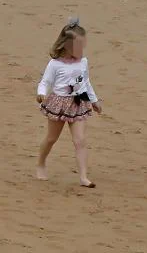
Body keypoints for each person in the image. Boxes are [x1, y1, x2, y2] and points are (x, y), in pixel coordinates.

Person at [36, 18, 103, 188]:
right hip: (58, 105)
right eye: (78, 46)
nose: (82, 50)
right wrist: (41, 93)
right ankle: (41, 163)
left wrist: (94, 100)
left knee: (80, 140)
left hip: (78, 103)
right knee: (51, 138)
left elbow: (86, 82)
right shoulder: (55, 64)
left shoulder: (83, 63)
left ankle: (83, 177)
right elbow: (45, 82)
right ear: (66, 45)